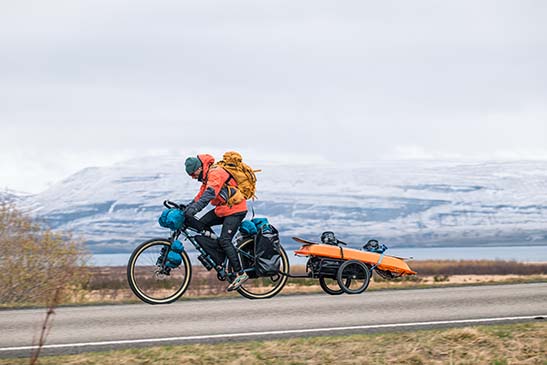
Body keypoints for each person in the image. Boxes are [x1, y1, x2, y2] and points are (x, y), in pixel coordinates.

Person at [184, 154, 249, 291]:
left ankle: (240, 273)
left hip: (236, 209)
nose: (192, 177)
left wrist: (195, 209)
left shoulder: (215, 173)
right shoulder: (206, 178)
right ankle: (220, 256)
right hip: (224, 209)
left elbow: (209, 194)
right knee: (201, 225)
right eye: (189, 174)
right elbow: (199, 197)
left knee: (225, 240)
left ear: (200, 167)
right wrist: (187, 208)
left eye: (193, 173)